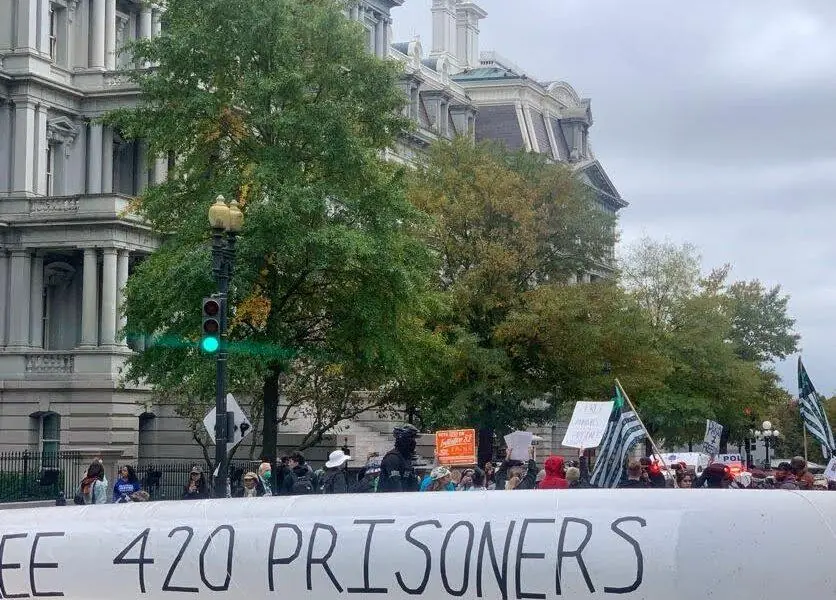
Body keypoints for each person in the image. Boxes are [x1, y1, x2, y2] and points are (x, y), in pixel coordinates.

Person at [378, 424, 422, 493]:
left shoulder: (406, 458)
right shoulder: (392, 458)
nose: (414, 442)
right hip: (389, 497)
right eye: (411, 438)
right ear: (404, 440)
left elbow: (411, 483)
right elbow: (395, 486)